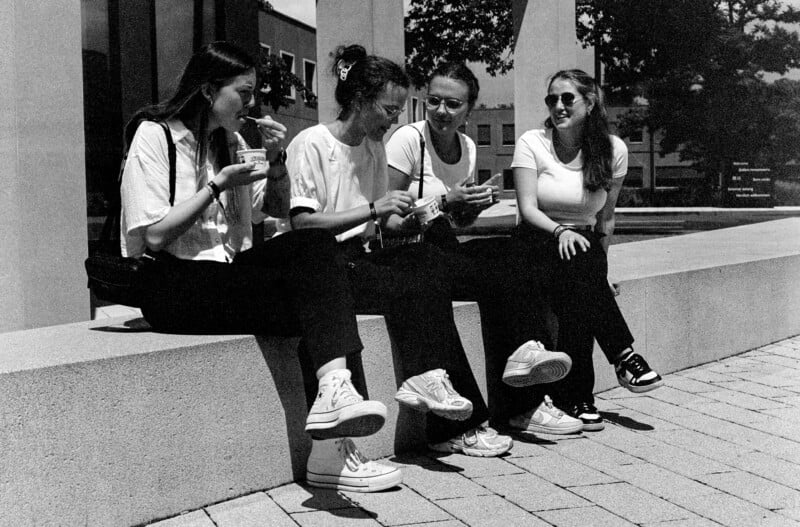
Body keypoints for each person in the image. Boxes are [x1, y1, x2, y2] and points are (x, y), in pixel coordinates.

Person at [119, 41, 402, 493]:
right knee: (317, 273)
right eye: (244, 93)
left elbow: (269, 210)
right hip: (173, 285)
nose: (252, 104)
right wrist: (216, 185)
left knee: (317, 263)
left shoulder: (230, 141)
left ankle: (335, 429)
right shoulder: (156, 135)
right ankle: (335, 435)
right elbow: (152, 235)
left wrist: (276, 164)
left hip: (225, 278)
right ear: (210, 91)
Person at [285, 44, 519, 458]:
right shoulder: (312, 143)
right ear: (360, 100)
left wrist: (427, 213)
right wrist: (375, 208)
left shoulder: (373, 148)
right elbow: (303, 226)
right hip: (328, 270)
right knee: (420, 273)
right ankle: (455, 416)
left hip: (364, 256)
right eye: (389, 110)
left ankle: (430, 383)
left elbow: (386, 225)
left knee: (427, 259)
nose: (395, 120)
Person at [385, 62, 582, 437]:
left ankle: (527, 361)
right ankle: (522, 399)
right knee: (498, 274)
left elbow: (457, 225)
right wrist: (446, 201)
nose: (442, 111)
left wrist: (470, 207)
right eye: (434, 101)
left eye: (453, 104)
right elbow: (387, 219)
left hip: (442, 247)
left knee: (510, 252)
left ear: (469, 109)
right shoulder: (408, 140)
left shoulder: (469, 147)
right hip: (409, 255)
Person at [511, 69, 663, 431]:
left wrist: (601, 275)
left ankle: (576, 400)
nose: (558, 106)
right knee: (580, 265)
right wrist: (561, 230)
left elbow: (604, 221)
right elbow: (528, 209)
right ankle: (623, 356)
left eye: (567, 98)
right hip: (537, 238)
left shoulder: (613, 150)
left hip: (581, 249)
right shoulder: (533, 142)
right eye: (552, 99)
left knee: (580, 282)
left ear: (590, 103)